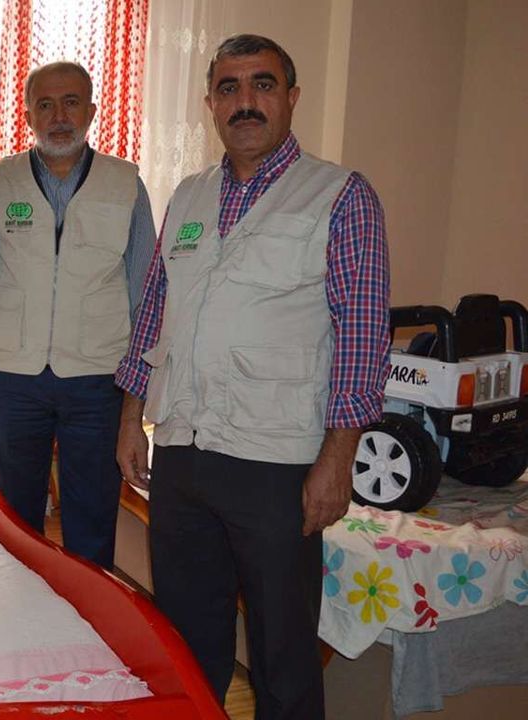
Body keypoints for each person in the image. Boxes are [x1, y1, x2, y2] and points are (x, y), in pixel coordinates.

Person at [115, 35, 391, 719]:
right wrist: (130, 418)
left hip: (276, 461)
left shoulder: (339, 196)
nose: (245, 102)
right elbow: (155, 312)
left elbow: (362, 338)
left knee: (283, 650)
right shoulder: (189, 196)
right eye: (229, 88)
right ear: (210, 103)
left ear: (291, 97)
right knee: (186, 638)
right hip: (183, 449)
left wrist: (339, 458)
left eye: (262, 85)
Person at [0, 61, 156, 569]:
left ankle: (88, 605)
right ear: (28, 116)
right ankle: (20, 600)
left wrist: (139, 383)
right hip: (14, 376)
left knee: (92, 509)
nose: (59, 116)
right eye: (45, 105)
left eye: (70, 103)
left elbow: (145, 293)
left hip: (98, 377)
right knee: (15, 510)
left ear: (91, 111)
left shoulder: (125, 184)